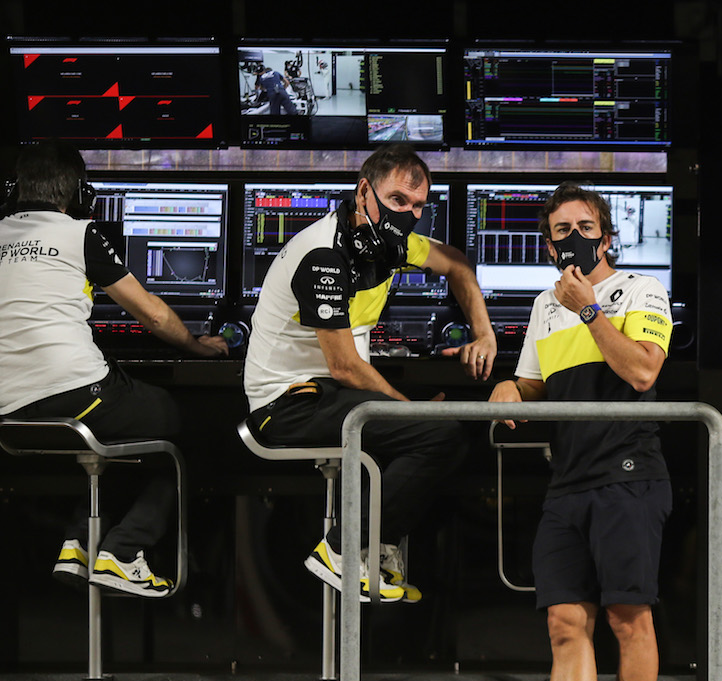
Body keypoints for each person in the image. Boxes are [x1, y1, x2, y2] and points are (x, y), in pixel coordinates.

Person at [243, 143, 496, 603]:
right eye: (399, 201)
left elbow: (457, 264)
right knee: (436, 436)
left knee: (438, 436)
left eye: (419, 206)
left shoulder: (387, 241)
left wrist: (485, 335)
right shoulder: (323, 254)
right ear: (365, 192)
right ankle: (340, 551)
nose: (410, 214)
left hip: (330, 394)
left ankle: (372, 546)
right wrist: (412, 410)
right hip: (287, 406)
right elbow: (345, 366)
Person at [491, 182, 673, 681]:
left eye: (584, 225)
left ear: (607, 234)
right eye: (561, 229)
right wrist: (512, 391)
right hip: (565, 480)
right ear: (547, 242)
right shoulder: (545, 305)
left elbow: (642, 371)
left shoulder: (642, 291)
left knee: (629, 619)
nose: (573, 237)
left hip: (628, 474)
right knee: (566, 623)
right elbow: (536, 387)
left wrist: (592, 309)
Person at [0, 142, 229, 597]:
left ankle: (79, 544)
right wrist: (197, 346)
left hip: (9, 416)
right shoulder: (78, 233)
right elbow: (154, 316)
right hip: (72, 393)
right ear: (78, 195)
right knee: (179, 421)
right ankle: (124, 551)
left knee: (124, 436)